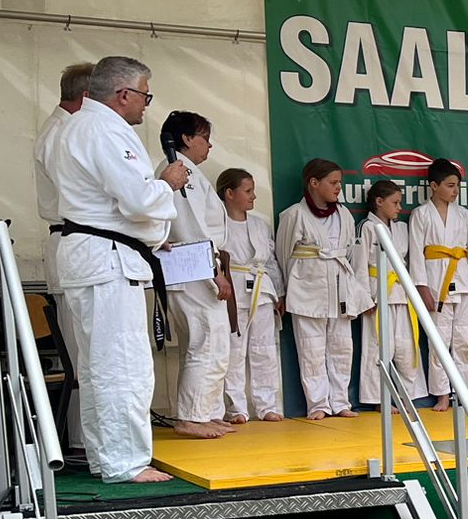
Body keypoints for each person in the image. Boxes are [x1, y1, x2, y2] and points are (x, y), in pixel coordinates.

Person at [48, 55, 189, 484]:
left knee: (100, 366)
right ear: (123, 94)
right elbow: (139, 200)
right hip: (106, 260)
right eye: (145, 94)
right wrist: (167, 182)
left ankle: (106, 457)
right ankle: (125, 462)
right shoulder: (103, 129)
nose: (147, 103)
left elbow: (116, 205)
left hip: (100, 255)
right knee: (121, 365)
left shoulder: (84, 127)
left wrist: (151, 231)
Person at [155, 110, 235, 440]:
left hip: (193, 269)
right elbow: (191, 228)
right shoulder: (179, 171)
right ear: (187, 139)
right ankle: (192, 417)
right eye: (205, 138)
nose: (209, 145)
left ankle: (206, 412)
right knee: (207, 341)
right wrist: (214, 271)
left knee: (207, 343)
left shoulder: (185, 171)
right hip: (193, 269)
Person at [276, 159, 364, 419]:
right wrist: (286, 288)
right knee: (311, 349)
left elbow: (350, 252)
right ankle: (318, 404)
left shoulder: (344, 215)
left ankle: (341, 402)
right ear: (314, 183)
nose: (338, 188)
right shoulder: (294, 214)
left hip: (339, 286)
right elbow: (283, 255)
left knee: (342, 347)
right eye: (333, 182)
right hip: (306, 288)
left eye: (340, 183)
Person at [33, 61, 91, 451]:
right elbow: (78, 195)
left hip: (80, 239)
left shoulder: (66, 130)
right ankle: (86, 442)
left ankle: (92, 439)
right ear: (85, 97)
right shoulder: (60, 134)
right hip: (74, 237)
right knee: (82, 348)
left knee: (89, 346)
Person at [409, 160, 468, 413]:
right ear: (434, 186)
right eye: (450, 186)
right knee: (439, 342)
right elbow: (416, 254)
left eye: (457, 186)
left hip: (463, 282)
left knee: (465, 341)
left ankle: (463, 393)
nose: (455, 191)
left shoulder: (463, 215)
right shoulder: (421, 214)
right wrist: (422, 289)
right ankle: (442, 395)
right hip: (435, 285)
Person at [214, 168, 282, 423]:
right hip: (233, 291)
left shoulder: (259, 225)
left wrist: (279, 292)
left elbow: (271, 262)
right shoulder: (217, 224)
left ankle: (267, 405)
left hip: (262, 291)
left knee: (264, 349)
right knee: (234, 351)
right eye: (248, 191)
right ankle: (237, 409)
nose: (253, 196)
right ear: (229, 193)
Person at [357, 179, 423, 409]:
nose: (399, 207)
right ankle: (379, 399)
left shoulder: (402, 228)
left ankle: (408, 396)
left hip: (401, 292)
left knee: (406, 346)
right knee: (378, 346)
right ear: (379, 201)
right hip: (378, 292)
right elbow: (359, 265)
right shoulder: (367, 227)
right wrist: (365, 298)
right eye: (395, 203)